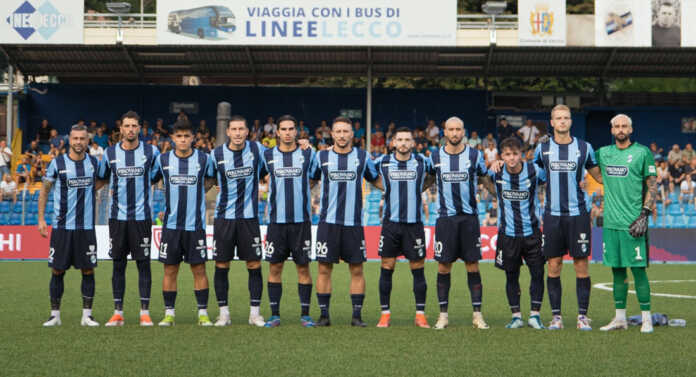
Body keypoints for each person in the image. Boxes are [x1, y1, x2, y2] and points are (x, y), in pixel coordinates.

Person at [530, 104, 603, 330]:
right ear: (551, 123)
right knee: (554, 265)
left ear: (570, 121)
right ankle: (556, 317)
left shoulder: (584, 147)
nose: (562, 121)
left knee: (581, 265)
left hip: (578, 214)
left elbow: (598, 176)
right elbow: (532, 175)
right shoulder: (542, 149)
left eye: (566, 118)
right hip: (552, 215)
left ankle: (582, 317)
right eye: (558, 118)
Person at [310, 116, 380, 327]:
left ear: (352, 134)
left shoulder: (362, 156)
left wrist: (396, 190)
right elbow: (311, 180)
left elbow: (375, 178)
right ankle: (324, 315)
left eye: (345, 132)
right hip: (328, 223)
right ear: (332, 134)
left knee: (357, 270)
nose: (342, 135)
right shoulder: (321, 156)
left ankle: (356, 316)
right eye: (338, 132)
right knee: (324, 269)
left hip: (353, 223)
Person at [430, 116, 494, 330]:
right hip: (446, 220)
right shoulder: (435, 156)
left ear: (463, 131)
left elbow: (487, 180)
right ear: (444, 132)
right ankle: (443, 315)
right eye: (451, 129)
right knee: (443, 266)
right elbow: (428, 180)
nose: (455, 133)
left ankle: (477, 314)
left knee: (472, 266)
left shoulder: (475, 155)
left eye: (458, 129)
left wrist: (502, 190)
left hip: (469, 220)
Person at [596, 114, 657, 334]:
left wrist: (645, 213)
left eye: (624, 126)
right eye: (617, 126)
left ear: (630, 130)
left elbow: (652, 185)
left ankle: (647, 319)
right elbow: (583, 160)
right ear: (612, 130)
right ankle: (620, 318)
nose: (621, 129)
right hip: (611, 223)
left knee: (639, 272)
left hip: (634, 224)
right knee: (617, 272)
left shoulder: (642, 153)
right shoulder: (603, 153)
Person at [38, 124, 104, 327]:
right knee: (57, 270)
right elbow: (45, 191)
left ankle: (87, 316)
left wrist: (91, 190)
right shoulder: (57, 163)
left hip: (85, 228)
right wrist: (41, 219)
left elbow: (103, 179)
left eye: (82, 139)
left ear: (87, 141)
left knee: (88, 270)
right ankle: (55, 315)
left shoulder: (94, 162)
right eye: (75, 138)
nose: (78, 142)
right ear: (69, 140)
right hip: (61, 228)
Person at [99, 111, 161, 327]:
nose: (131, 129)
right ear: (121, 129)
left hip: (142, 217)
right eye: (127, 126)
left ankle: (145, 312)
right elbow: (101, 178)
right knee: (118, 264)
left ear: (139, 129)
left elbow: (160, 175)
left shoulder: (151, 151)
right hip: (117, 218)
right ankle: (118, 312)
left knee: (144, 264)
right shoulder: (109, 153)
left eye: (134, 126)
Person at [151, 120, 216, 326]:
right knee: (170, 270)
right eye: (179, 136)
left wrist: (198, 192)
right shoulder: (163, 160)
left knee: (199, 270)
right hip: (171, 227)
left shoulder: (204, 159)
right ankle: (169, 314)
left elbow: (211, 180)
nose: (183, 140)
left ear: (193, 138)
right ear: (172, 138)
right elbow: (152, 179)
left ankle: (203, 314)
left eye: (187, 136)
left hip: (195, 226)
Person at [372, 127, 434, 328]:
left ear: (413, 143)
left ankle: (420, 314)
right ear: (393, 142)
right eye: (400, 139)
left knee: (417, 269)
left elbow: (433, 175)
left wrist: (420, 188)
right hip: (391, 224)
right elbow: (366, 172)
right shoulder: (382, 162)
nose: (404, 143)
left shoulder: (423, 162)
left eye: (408, 139)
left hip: (414, 224)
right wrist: (385, 187)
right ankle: (385, 314)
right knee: (387, 267)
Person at [261, 115, 319, 328]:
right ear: (277, 132)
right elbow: (257, 175)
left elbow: (315, 176)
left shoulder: (307, 153)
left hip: (301, 221)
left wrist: (302, 189)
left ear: (297, 131)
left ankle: (305, 315)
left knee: (303, 268)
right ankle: (274, 315)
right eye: (283, 129)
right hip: (276, 222)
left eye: (291, 129)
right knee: (275, 267)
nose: (287, 132)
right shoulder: (267, 155)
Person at [209, 115, 267, 327]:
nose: (238, 133)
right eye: (234, 129)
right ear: (228, 132)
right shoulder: (216, 154)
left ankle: (255, 314)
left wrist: (303, 145)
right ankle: (223, 313)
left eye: (241, 129)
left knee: (254, 264)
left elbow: (278, 158)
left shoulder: (257, 150)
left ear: (247, 131)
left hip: (249, 219)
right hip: (224, 219)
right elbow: (207, 180)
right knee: (221, 264)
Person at [486, 137, 547, 330]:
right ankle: (516, 316)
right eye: (507, 154)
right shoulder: (495, 172)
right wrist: (492, 164)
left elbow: (551, 177)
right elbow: (481, 177)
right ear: (501, 156)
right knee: (511, 276)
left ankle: (535, 316)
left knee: (537, 273)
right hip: (507, 235)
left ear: (521, 154)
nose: (511, 158)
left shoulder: (534, 171)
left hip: (532, 233)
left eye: (515, 154)